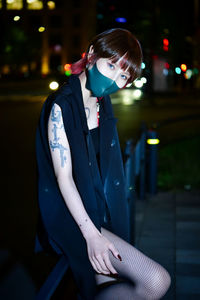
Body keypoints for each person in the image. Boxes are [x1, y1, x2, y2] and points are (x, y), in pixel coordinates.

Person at [35, 28, 171, 300]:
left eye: (123, 76)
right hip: (70, 215)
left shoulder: (101, 103)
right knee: (156, 280)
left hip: (97, 208)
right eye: (110, 65)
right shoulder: (61, 106)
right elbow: (64, 178)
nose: (114, 79)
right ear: (92, 55)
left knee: (110, 285)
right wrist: (92, 235)